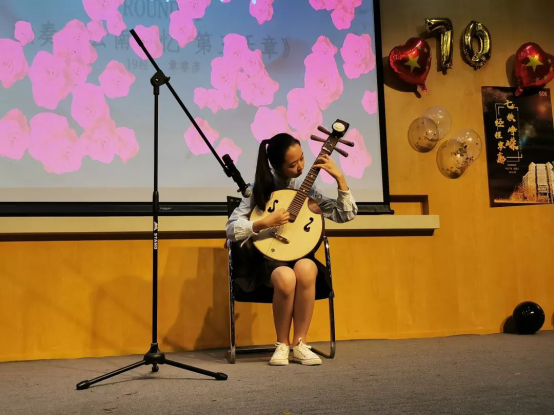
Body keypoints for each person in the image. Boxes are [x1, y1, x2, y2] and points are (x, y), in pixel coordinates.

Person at [226, 133, 358, 366]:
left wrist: (340, 179)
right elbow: (230, 229)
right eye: (292, 164)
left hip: (300, 255)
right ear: (276, 166)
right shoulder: (258, 190)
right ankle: (282, 344)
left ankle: (300, 343)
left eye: (302, 159)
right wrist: (262, 223)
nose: (300, 167)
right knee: (286, 278)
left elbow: (344, 215)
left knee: (307, 269)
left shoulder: (307, 189)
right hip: (268, 260)